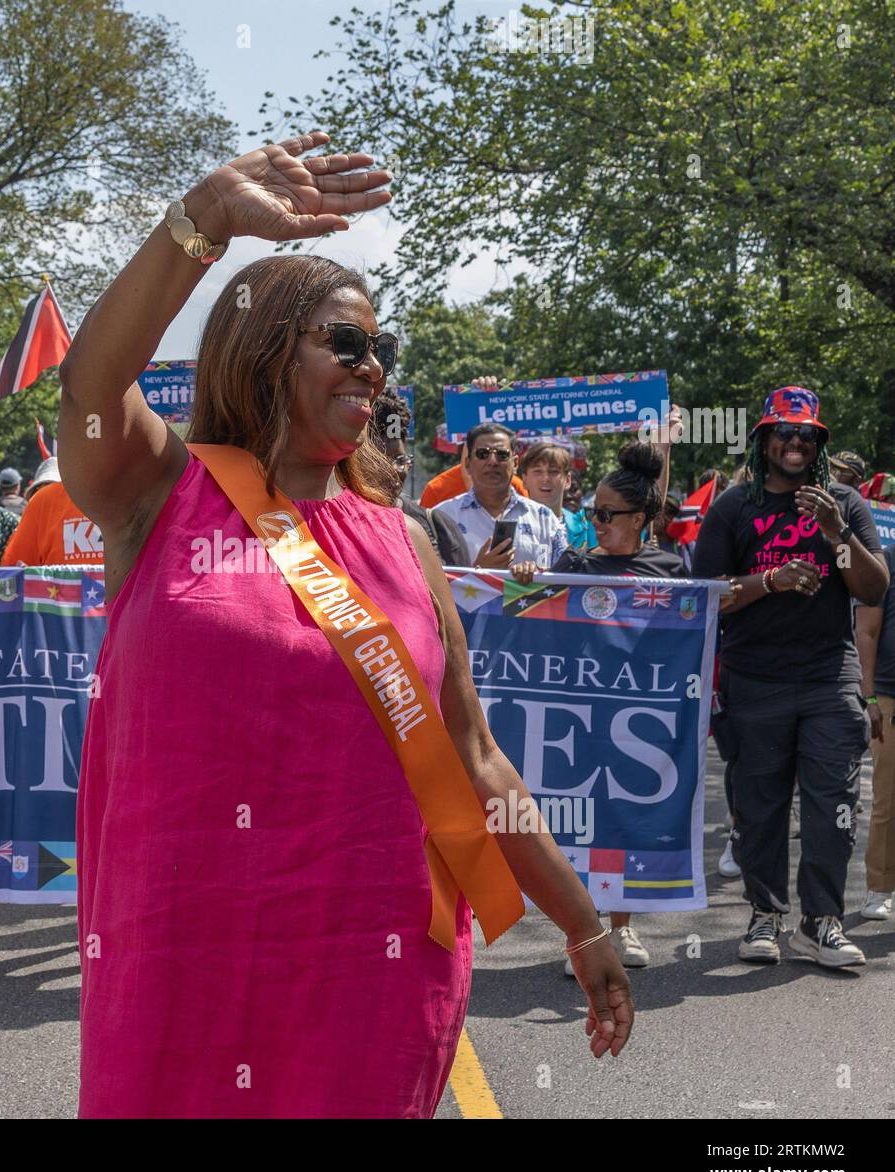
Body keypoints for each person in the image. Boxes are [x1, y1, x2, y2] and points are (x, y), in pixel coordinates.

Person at [58, 129, 632, 1117]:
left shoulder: (404, 542)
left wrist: (582, 925)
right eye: (347, 342)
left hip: (371, 959)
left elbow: (476, 757)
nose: (373, 368)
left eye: (382, 349)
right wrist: (202, 222)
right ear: (267, 349)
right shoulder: (159, 492)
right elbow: (87, 389)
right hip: (183, 957)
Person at [693, 387, 888, 968]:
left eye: (807, 434)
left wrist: (837, 534)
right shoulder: (733, 506)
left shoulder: (846, 502)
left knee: (834, 803)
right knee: (761, 803)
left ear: (820, 442)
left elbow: (874, 588)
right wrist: (768, 583)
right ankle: (764, 916)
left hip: (830, 675)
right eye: (784, 432)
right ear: (762, 440)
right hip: (755, 678)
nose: (796, 442)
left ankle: (820, 924)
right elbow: (703, 600)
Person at [518, 442, 687, 973]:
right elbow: (516, 611)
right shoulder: (575, 564)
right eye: (593, 512)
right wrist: (523, 579)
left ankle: (624, 930)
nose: (597, 522)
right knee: (583, 823)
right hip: (579, 716)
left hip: (640, 720)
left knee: (628, 819)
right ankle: (588, 932)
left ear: (640, 519)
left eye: (607, 515)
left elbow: (697, 629)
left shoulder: (670, 569)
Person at [432, 419, 567, 572]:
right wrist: (479, 571)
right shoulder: (441, 518)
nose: (492, 461)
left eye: (502, 454)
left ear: (515, 463)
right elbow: (429, 583)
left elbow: (565, 580)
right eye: (483, 454)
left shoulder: (545, 519)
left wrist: (538, 576)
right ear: (468, 464)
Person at [371, 392, 469, 566]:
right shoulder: (337, 526)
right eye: (380, 461)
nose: (394, 470)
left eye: (400, 460)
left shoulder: (438, 526)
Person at [855, 545, 895, 921]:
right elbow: (866, 631)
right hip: (889, 695)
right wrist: (868, 696)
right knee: (888, 799)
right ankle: (880, 889)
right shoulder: (886, 560)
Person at [0, 463, 104, 567]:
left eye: (51, 484)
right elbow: (12, 571)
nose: (44, 489)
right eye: (38, 488)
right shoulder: (39, 504)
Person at [519, 441, 592, 551]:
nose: (545, 479)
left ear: (567, 480)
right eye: (537, 471)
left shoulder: (587, 529)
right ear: (525, 480)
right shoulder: (511, 525)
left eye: (553, 472)